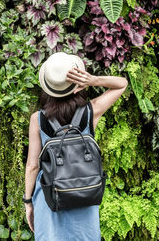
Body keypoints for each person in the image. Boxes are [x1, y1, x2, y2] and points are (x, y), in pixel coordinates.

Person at [23, 52, 128, 240]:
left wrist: (28, 202)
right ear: (77, 82)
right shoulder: (91, 111)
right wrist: (94, 80)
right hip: (84, 189)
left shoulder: (37, 119)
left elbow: (32, 166)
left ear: (47, 87)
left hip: (50, 191)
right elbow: (122, 84)